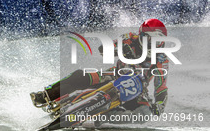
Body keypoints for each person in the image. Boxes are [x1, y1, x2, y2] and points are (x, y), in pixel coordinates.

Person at [31, 18, 169, 120]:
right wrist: (120, 50)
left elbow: (161, 86)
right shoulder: (129, 38)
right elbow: (104, 49)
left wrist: (160, 104)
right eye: (149, 39)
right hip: (114, 75)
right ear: (141, 36)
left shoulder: (162, 59)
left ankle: (107, 119)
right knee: (81, 75)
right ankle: (46, 96)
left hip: (137, 89)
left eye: (157, 40)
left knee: (144, 114)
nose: (152, 43)